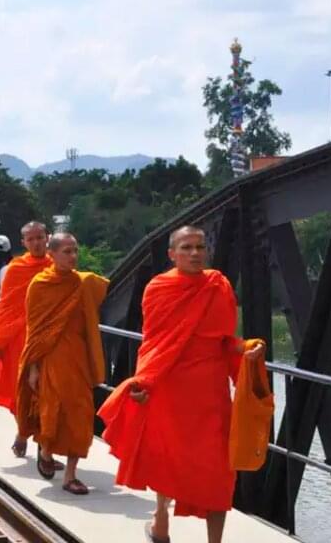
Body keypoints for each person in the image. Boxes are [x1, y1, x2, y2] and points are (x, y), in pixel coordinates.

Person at [98, 226, 265, 543]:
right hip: (170, 391)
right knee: (168, 460)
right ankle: (161, 517)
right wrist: (144, 381)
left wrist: (246, 349)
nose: (195, 253)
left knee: (219, 472)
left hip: (211, 394)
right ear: (171, 254)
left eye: (200, 247)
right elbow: (154, 344)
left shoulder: (218, 285)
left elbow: (224, 340)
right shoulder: (158, 288)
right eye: (186, 247)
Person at [15, 232, 108, 495]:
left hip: (78, 356)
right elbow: (35, 330)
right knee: (52, 410)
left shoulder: (84, 283)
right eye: (66, 251)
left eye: (75, 250)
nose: (73, 256)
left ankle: (70, 475)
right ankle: (45, 450)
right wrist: (33, 367)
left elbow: (104, 293)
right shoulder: (40, 285)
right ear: (52, 254)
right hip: (51, 358)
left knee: (80, 412)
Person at [0, 222, 52, 458]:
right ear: (23, 243)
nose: (37, 243)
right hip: (20, 338)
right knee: (22, 390)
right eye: (31, 239)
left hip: (51, 336)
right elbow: (6, 308)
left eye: (40, 237)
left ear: (47, 238)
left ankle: (45, 449)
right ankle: (22, 431)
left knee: (49, 393)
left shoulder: (55, 265)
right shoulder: (13, 269)